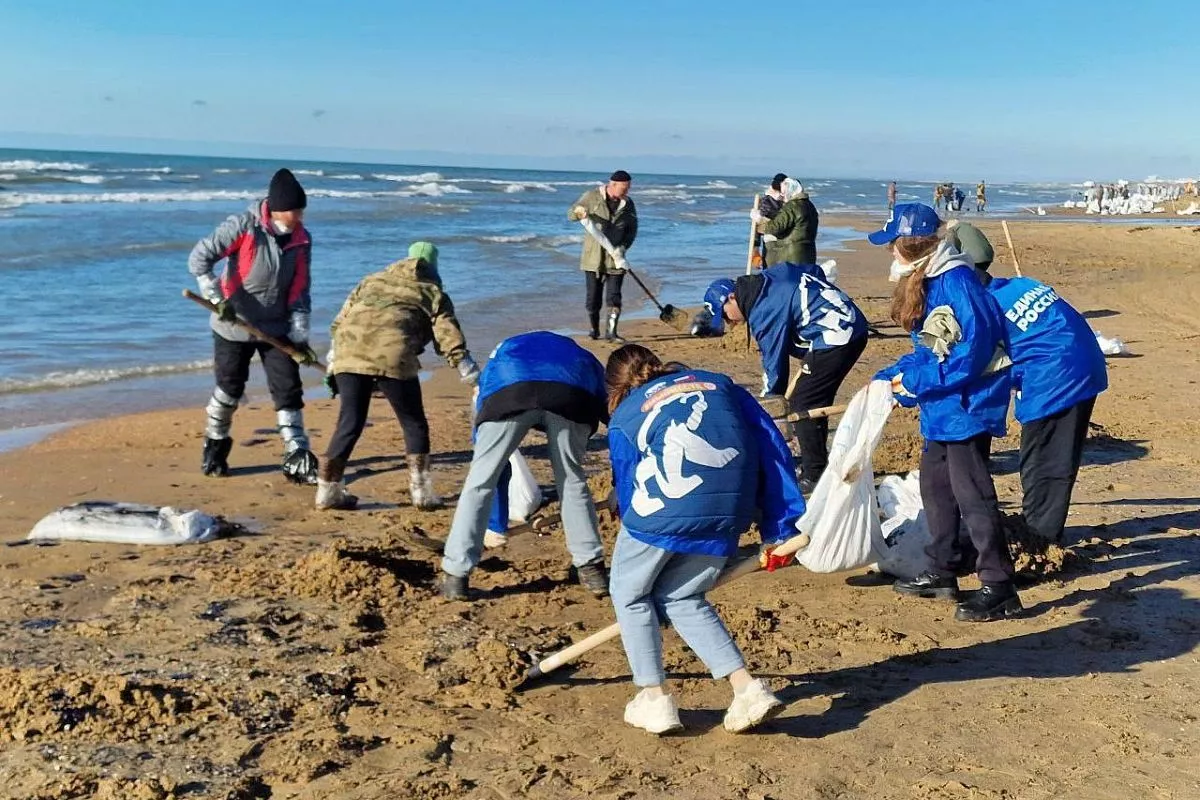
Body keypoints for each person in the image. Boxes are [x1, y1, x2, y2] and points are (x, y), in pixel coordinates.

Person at [604, 344, 803, 734]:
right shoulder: (720, 385)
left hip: (663, 509)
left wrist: (624, 508)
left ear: (614, 389)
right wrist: (781, 525)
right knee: (681, 595)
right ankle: (747, 690)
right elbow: (771, 447)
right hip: (730, 507)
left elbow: (629, 490)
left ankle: (654, 697)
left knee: (629, 593)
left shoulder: (624, 417)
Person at [868, 203, 1021, 623]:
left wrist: (918, 384)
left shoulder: (956, 284)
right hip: (945, 406)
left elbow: (969, 355)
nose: (890, 253)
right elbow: (932, 348)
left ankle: (999, 584)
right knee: (935, 484)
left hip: (967, 404)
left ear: (910, 245)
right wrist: (893, 376)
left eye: (892, 245)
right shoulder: (931, 279)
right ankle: (942, 568)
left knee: (972, 493)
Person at [440, 331, 610, 600]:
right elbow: (613, 413)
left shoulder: (499, 359)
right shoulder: (583, 357)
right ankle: (592, 569)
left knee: (480, 479)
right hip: (572, 393)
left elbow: (489, 469)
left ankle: (455, 576)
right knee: (571, 478)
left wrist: (496, 524)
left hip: (512, 389)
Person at [317, 242, 480, 511]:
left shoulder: (370, 281)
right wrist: (471, 373)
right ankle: (422, 493)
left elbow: (340, 322)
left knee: (350, 422)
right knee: (413, 423)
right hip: (393, 354)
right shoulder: (432, 291)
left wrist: (334, 361)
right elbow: (448, 336)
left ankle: (327, 491)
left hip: (349, 351)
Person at [189, 168, 319, 484]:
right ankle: (215, 444)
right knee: (230, 389)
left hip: (275, 328)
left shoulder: (301, 239)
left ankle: (297, 455)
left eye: (301, 209)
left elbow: (300, 286)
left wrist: (299, 334)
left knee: (288, 389)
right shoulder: (243, 227)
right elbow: (199, 259)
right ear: (276, 208)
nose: (299, 215)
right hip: (232, 326)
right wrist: (218, 300)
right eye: (295, 210)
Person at [702, 261, 868, 491]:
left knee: (802, 404)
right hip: (847, 322)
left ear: (732, 297)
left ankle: (815, 474)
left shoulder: (763, 310)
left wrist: (768, 404)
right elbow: (813, 270)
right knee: (812, 397)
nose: (730, 323)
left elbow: (774, 366)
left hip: (839, 336)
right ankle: (817, 462)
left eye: (726, 316)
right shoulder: (769, 277)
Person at [980, 271, 1108, 543]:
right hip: (1083, 362)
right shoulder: (1020, 284)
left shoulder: (982, 306)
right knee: (1053, 455)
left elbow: (987, 365)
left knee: (1044, 463)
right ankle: (1041, 529)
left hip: (1056, 378)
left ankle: (1039, 542)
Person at [568, 171, 639, 341]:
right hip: (593, 258)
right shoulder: (591, 197)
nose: (626, 192)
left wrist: (622, 249)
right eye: (624, 188)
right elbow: (570, 214)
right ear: (612, 184)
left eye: (628, 188)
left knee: (614, 296)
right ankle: (594, 329)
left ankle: (612, 333)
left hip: (616, 259)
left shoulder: (628, 204)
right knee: (593, 299)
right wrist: (578, 212)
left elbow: (632, 230)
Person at [752, 177, 819, 267]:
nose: (782, 195)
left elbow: (774, 228)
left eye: (783, 192)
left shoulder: (793, 206)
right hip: (807, 255)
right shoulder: (810, 206)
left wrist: (759, 219)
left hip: (790, 257)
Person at [753, 173, 789, 267]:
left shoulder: (786, 200)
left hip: (782, 241)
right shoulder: (767, 201)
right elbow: (758, 225)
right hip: (771, 240)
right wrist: (755, 250)